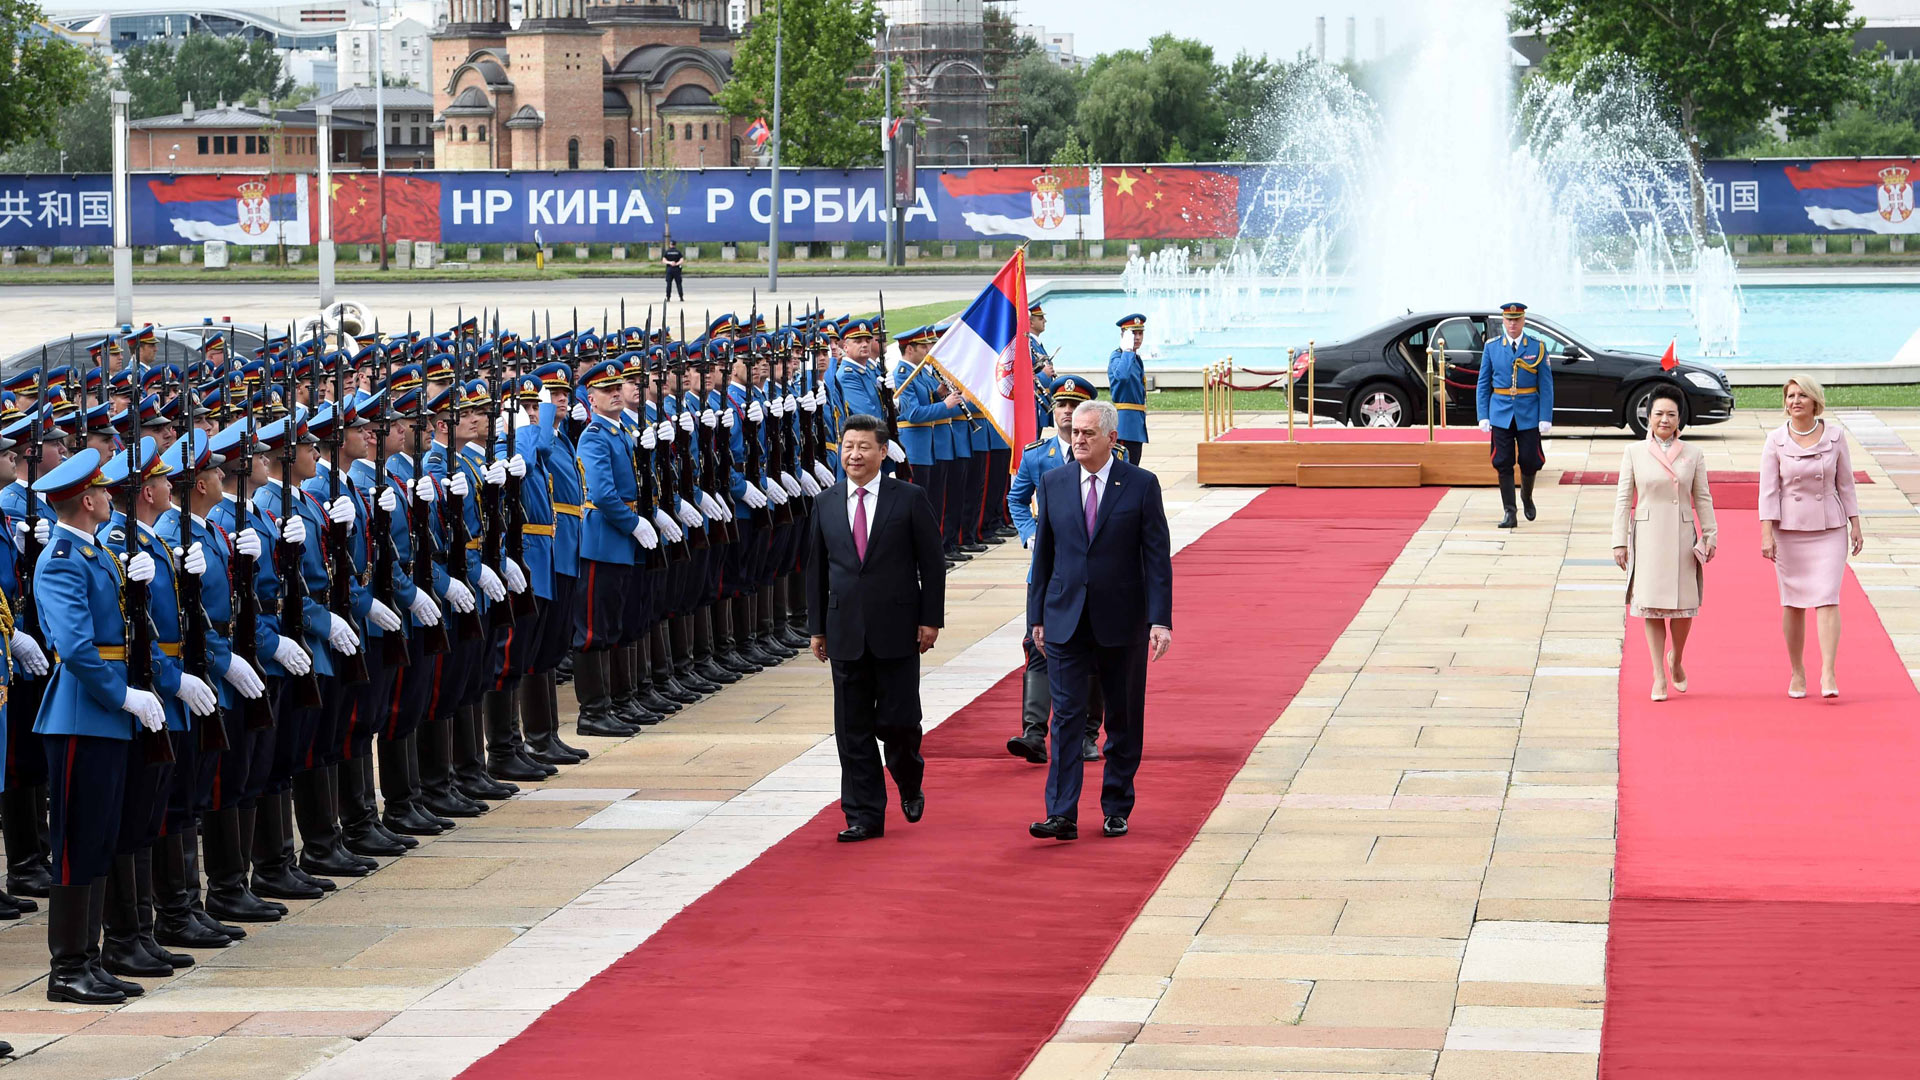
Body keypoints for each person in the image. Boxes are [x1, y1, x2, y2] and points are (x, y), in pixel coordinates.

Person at [1026, 399, 1172, 842]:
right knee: (1066, 717)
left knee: (1122, 718)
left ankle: (1116, 805)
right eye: (1075, 432)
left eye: (1089, 433)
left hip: (1122, 620)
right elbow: (1045, 555)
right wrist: (1036, 617)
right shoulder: (1053, 483)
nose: (1079, 439)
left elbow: (1156, 557)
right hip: (1065, 618)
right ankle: (1062, 813)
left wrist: (1159, 619)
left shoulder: (1141, 485)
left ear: (1112, 437)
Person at [806, 413, 944, 843]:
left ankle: (908, 775)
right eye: (848, 446)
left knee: (900, 722)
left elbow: (932, 563)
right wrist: (817, 628)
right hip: (844, 628)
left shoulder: (908, 498)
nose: (854, 454)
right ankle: (863, 814)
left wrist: (930, 619)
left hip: (898, 628)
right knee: (852, 730)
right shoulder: (825, 502)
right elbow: (816, 571)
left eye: (864, 446)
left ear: (883, 452)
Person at [1006, 374, 1105, 766]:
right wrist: (1030, 535)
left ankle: (1086, 733)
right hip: (1049, 570)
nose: (1066, 412)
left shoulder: (1109, 455)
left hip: (1089, 570)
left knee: (1092, 648)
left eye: (1074, 406)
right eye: (1060, 405)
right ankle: (1034, 732)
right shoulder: (1036, 455)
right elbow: (1016, 500)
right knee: (1039, 645)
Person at [1760, 374, 1863, 700]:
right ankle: (1797, 671)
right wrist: (1766, 533)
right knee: (1792, 603)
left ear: (1814, 401)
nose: (1795, 401)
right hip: (1789, 531)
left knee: (1828, 597)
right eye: (1790, 396)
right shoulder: (1774, 440)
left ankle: (1828, 671)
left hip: (1829, 530)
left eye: (1801, 395)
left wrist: (1855, 523)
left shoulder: (1835, 436)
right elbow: (1768, 491)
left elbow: (1846, 484)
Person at [1611, 384, 1716, 702]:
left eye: (1671, 414)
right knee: (1653, 609)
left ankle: (1677, 658)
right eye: (1659, 413)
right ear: (1648, 416)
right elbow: (1623, 498)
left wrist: (1710, 534)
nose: (1665, 419)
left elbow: (1702, 497)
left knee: (1685, 610)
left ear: (1680, 418)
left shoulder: (1693, 454)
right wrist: (1619, 541)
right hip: (1648, 538)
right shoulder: (1634, 453)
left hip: (1684, 538)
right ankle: (1658, 674)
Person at [1477, 302, 1554, 529]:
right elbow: (1483, 384)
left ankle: (1527, 496)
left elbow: (1546, 384)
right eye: (1509, 320)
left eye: (1517, 319)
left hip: (1529, 411)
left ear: (1523, 321)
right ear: (1503, 321)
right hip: (1500, 411)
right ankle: (1509, 511)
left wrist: (1545, 415)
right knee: (1503, 462)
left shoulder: (1537, 347)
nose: (1512, 324)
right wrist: (1483, 414)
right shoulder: (1492, 347)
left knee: (1530, 460)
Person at [1108, 314, 1149, 467]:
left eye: (1140, 333)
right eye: (1133, 333)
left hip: (1135, 425)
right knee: (1124, 471)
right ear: (1124, 335)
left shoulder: (1134, 358)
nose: (1137, 337)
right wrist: (1127, 350)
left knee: (1133, 471)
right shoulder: (1118, 356)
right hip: (1124, 426)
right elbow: (1122, 376)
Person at [662, 234, 685, 302]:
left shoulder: (667, 252)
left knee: (669, 284)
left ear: (670, 245)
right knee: (678, 284)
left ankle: (668, 297)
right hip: (677, 269)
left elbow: (663, 260)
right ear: (675, 245)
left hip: (669, 269)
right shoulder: (678, 252)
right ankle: (681, 297)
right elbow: (682, 260)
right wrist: (676, 263)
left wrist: (670, 263)